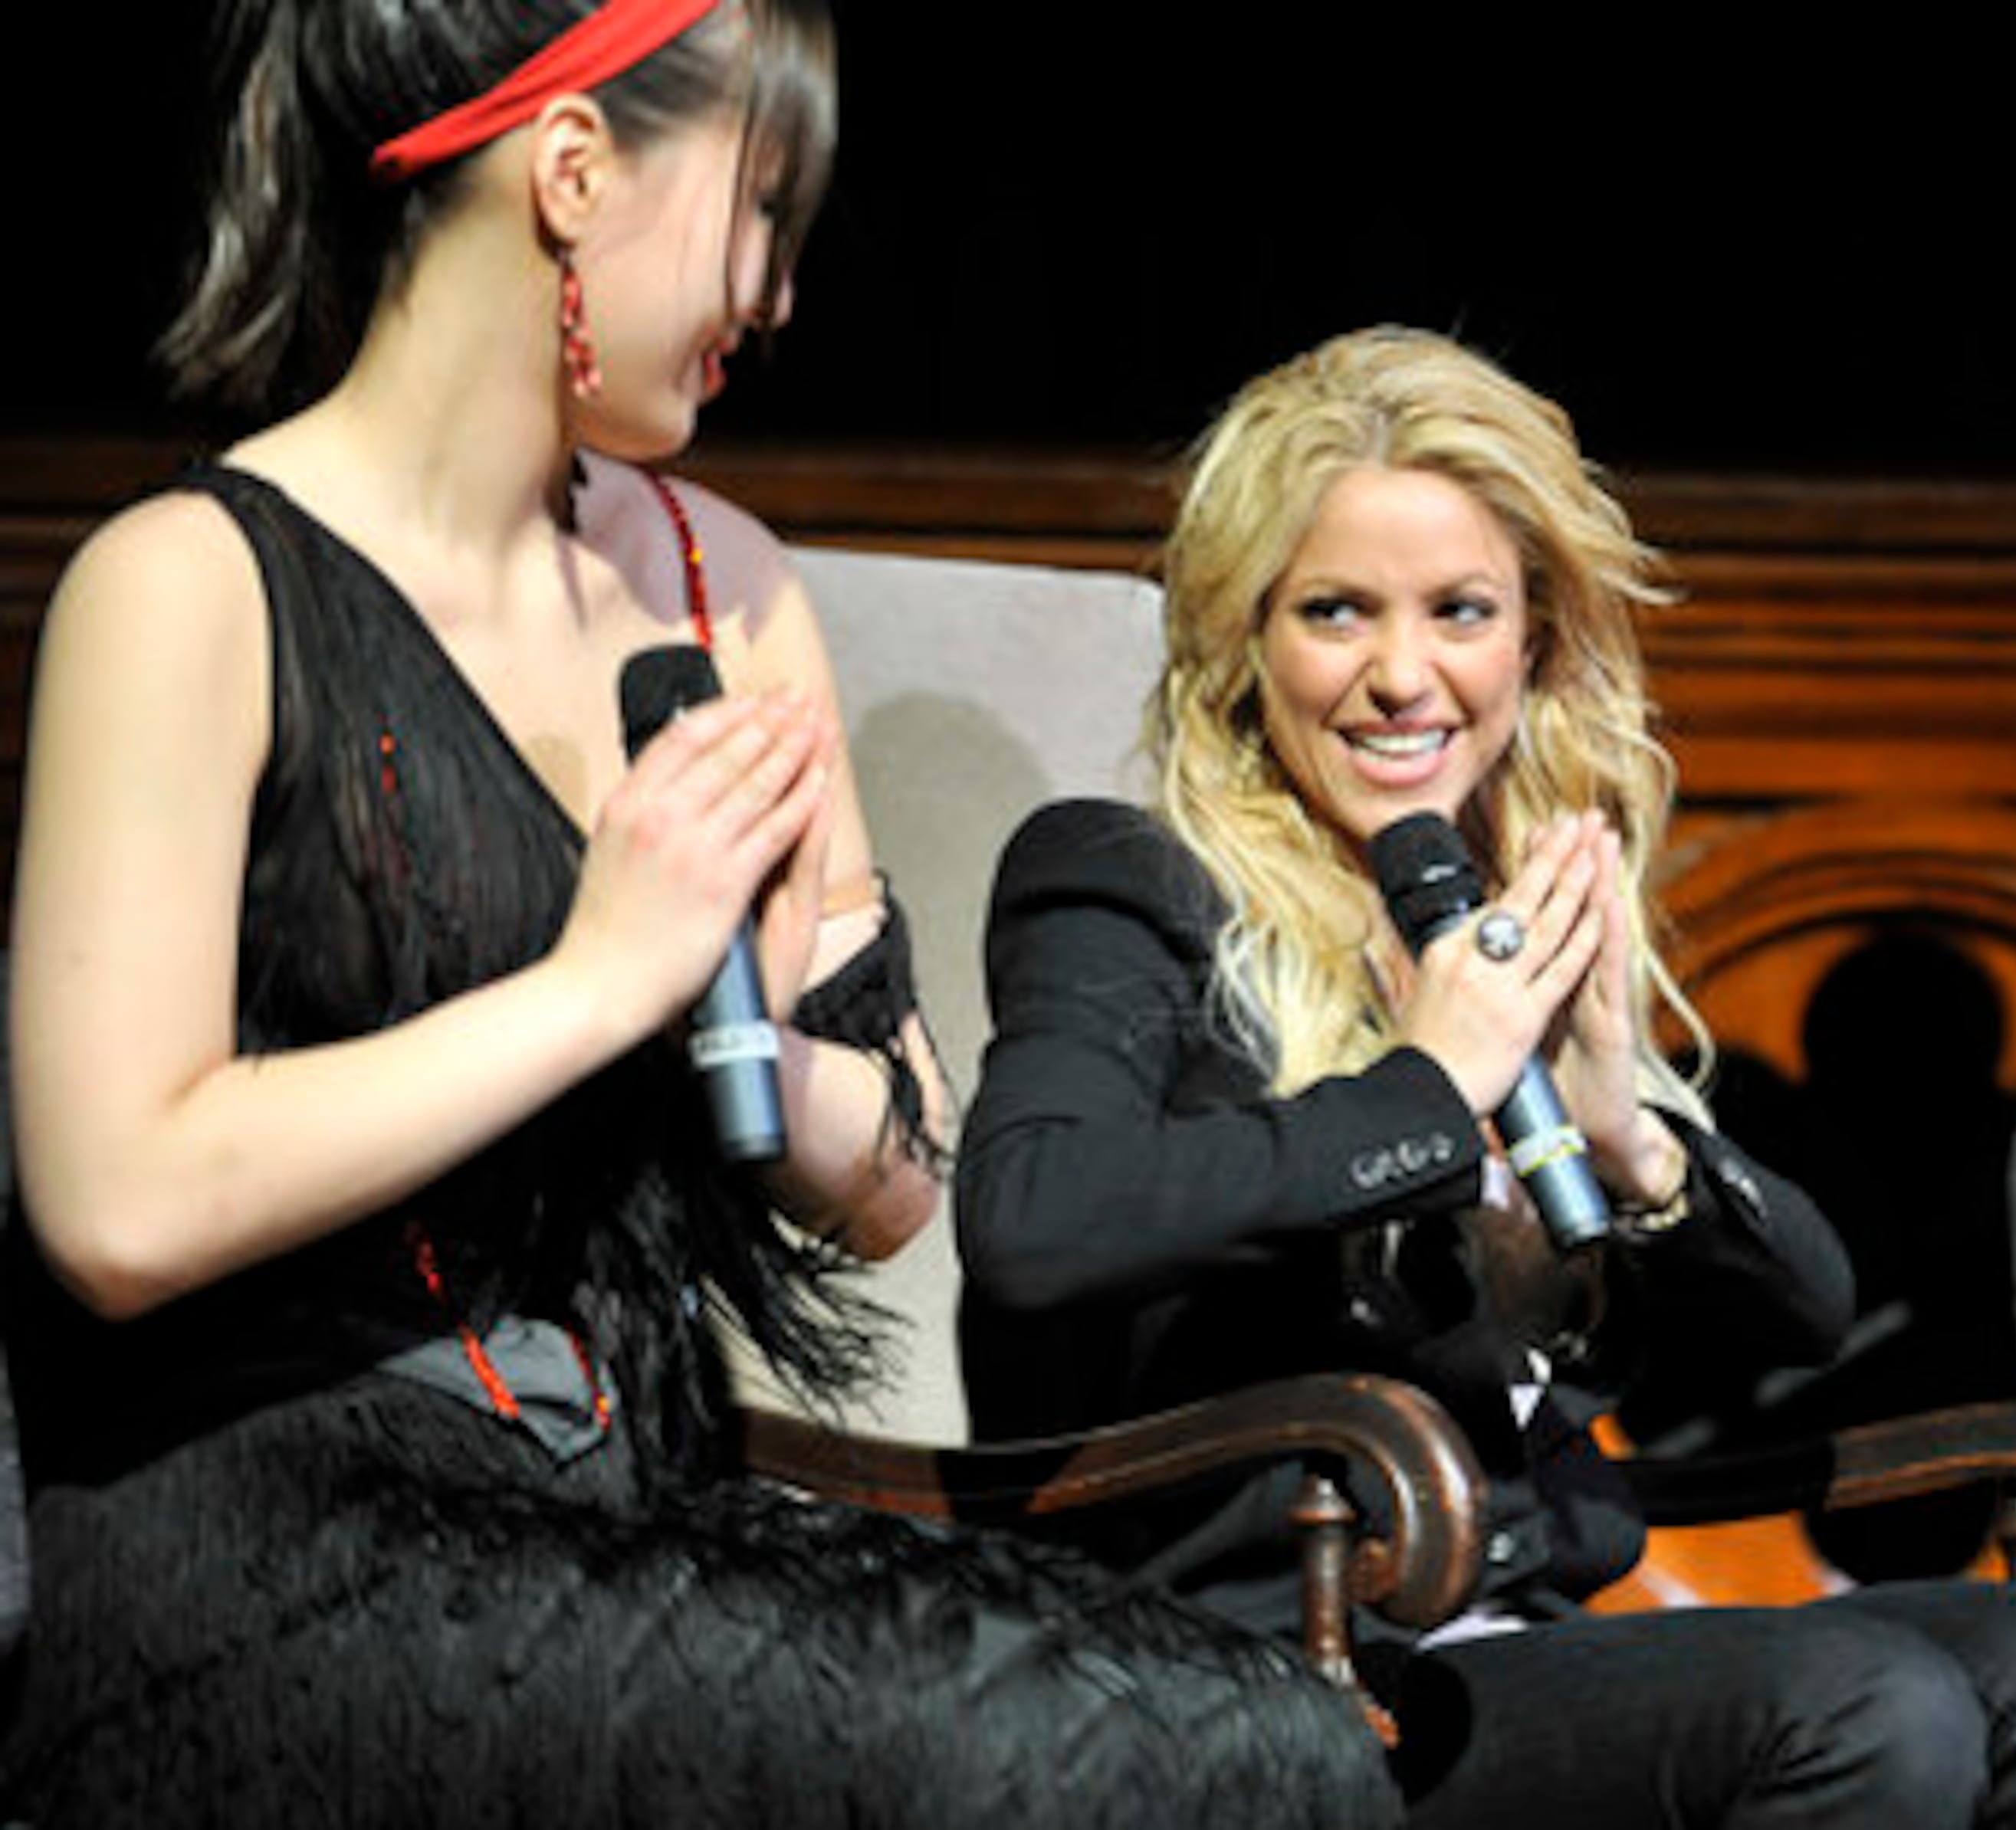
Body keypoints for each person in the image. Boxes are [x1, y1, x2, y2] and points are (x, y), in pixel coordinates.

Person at [0, 5, 1396, 1823]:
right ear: (575, 175)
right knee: (1072, 1762)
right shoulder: (184, 585)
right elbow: (118, 1199)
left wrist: (756, 1016)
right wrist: (606, 979)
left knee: (1264, 1736)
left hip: (627, 1495)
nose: (777, 295)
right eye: (759, 216)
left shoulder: (723, 585)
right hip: (276, 1544)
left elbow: (894, 1183)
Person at [957, 325, 2016, 1829]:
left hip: (1522, 1641)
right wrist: (1420, 1087)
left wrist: (1630, 1136)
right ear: (1244, 643)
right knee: (1876, 1710)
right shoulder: (1129, 883)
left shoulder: (1500, 909)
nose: (1405, 677)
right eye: (1337, 612)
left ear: (1532, 643)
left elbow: (1809, 1306)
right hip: (1268, 1657)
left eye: (1460, 611)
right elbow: (1032, 1219)